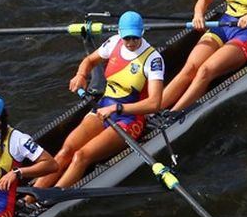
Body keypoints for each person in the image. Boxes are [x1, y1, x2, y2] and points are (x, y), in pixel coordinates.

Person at [34, 12, 165, 189]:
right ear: (120, 33)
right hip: (103, 107)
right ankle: (31, 198)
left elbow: (154, 103)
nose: (131, 42)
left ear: (143, 32)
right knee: (66, 150)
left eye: (135, 37)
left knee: (81, 156)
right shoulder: (113, 42)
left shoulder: (153, 59)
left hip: (129, 119)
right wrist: (81, 75)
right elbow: (89, 61)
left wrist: (117, 109)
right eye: (127, 38)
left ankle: (49, 201)